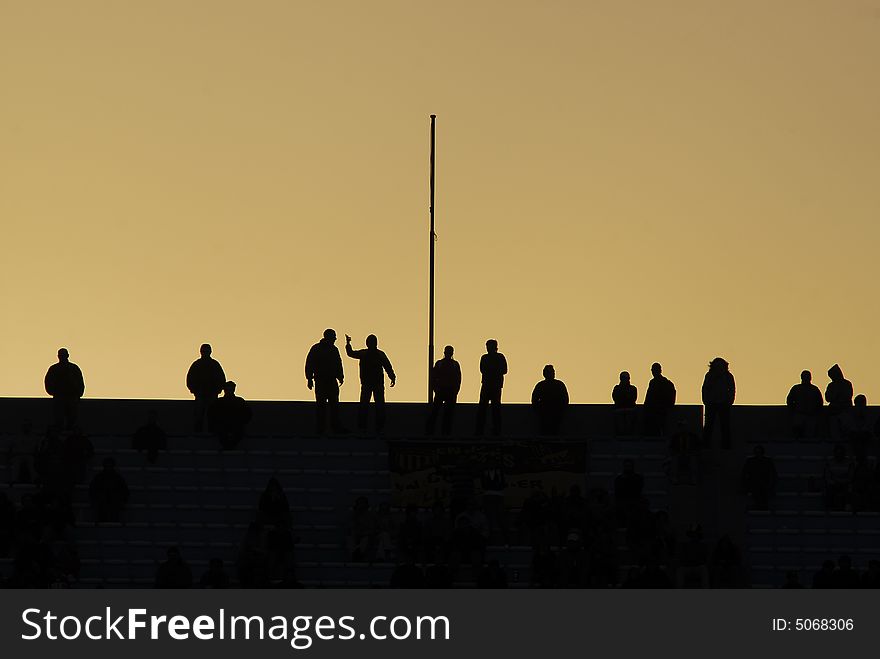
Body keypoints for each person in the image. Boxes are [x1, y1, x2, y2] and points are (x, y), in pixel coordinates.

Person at [344, 334, 396, 433]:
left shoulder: (365, 354)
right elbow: (388, 366)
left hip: (370, 384)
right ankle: (377, 427)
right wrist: (392, 376)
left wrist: (348, 343)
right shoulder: (379, 354)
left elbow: (350, 353)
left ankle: (364, 427)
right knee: (377, 405)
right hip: (374, 383)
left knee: (367, 405)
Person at [305, 329, 346, 434]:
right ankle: (321, 428)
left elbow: (338, 363)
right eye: (334, 337)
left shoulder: (333, 349)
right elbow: (310, 363)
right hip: (321, 381)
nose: (335, 339)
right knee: (322, 406)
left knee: (334, 405)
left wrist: (340, 376)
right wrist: (309, 378)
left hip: (331, 381)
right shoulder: (317, 349)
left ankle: (334, 427)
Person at [185, 344, 226, 432]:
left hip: (212, 394)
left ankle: (213, 431)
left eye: (206, 351)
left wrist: (217, 390)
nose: (205, 353)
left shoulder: (215, 364)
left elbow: (221, 379)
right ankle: (198, 432)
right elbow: (190, 378)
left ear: (210, 352)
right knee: (199, 415)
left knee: (213, 415)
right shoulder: (197, 364)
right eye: (203, 351)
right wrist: (195, 390)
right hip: (200, 394)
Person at [44, 348, 85, 430]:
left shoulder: (73, 368)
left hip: (71, 398)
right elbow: (48, 382)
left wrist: (78, 394)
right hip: (59, 397)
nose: (62, 357)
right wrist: (53, 392)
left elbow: (80, 382)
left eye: (63, 355)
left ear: (67, 356)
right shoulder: (54, 369)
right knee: (59, 418)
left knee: (71, 418)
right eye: (60, 355)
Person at [426, 345, 461, 436]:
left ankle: (443, 432)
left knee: (446, 413)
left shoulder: (454, 364)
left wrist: (455, 391)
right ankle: (434, 432)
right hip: (441, 391)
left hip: (449, 391)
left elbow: (458, 379)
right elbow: (433, 377)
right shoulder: (441, 364)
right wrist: (435, 389)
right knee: (437, 412)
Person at [475, 339, 508, 436]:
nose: (488, 348)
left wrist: (492, 371)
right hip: (487, 385)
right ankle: (480, 430)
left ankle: (496, 430)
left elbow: (504, 370)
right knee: (483, 408)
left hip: (495, 386)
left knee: (495, 408)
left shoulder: (499, 357)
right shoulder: (485, 357)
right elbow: (482, 369)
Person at [702, 357, 735, 448]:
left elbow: (732, 389)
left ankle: (726, 445)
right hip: (711, 403)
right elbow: (705, 388)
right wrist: (706, 400)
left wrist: (730, 401)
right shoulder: (709, 375)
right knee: (709, 425)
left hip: (724, 403)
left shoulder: (728, 376)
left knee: (725, 425)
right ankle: (706, 444)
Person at [209, 381, 253, 449]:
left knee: (238, 432)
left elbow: (248, 414)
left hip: (236, 425)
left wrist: (241, 422)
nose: (229, 390)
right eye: (227, 388)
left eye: (230, 388)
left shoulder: (239, 401)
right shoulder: (218, 402)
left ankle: (229, 446)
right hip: (223, 426)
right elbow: (211, 415)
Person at [531, 365, 569, 435]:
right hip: (545, 413)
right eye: (551, 372)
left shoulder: (559, 384)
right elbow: (534, 400)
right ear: (545, 374)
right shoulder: (542, 385)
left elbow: (565, 399)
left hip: (555, 413)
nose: (553, 373)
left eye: (553, 372)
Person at [88, 458, 129, 522]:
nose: (108, 467)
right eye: (107, 465)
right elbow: (92, 490)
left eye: (110, 465)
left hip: (114, 503)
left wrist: (123, 501)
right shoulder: (98, 477)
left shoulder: (118, 478)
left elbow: (124, 490)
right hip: (102, 503)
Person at [786, 370, 823, 438]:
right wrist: (794, 410)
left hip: (811, 416)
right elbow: (789, 400)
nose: (806, 378)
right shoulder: (796, 388)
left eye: (808, 376)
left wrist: (815, 411)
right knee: (797, 434)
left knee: (810, 436)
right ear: (802, 377)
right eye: (805, 376)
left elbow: (820, 402)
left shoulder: (814, 389)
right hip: (799, 415)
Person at [643, 363, 676, 436]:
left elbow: (649, 397)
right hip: (659, 410)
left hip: (658, 410)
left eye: (654, 370)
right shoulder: (664, 383)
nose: (653, 372)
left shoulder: (662, 383)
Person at [741, 445, 777, 510]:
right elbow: (744, 473)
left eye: (759, 452)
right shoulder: (750, 461)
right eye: (757, 452)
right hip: (754, 483)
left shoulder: (768, 461)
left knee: (762, 489)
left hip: (764, 483)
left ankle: (762, 505)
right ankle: (760, 505)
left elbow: (773, 473)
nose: (758, 454)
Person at [826, 364, 853, 439]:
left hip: (845, 411)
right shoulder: (831, 385)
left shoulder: (847, 384)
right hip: (834, 412)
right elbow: (827, 398)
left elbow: (847, 396)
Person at [612, 371, 638, 436]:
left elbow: (633, 399)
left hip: (629, 410)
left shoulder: (633, 389)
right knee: (621, 428)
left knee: (628, 427)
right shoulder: (617, 388)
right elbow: (615, 398)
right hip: (620, 410)